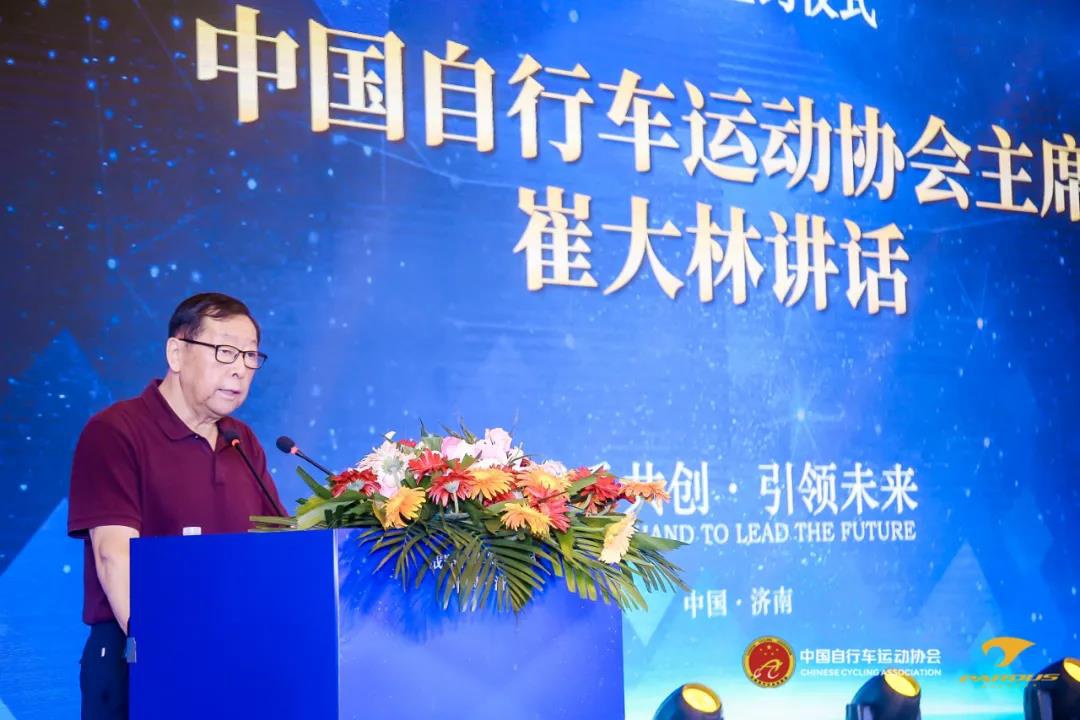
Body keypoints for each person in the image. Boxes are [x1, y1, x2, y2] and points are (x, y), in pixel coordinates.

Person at [67, 293, 286, 720]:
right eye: (225, 352)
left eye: (250, 356)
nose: (240, 369)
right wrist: (165, 651)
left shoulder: (241, 440)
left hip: (232, 653)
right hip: (140, 657)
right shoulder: (116, 431)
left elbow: (278, 548)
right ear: (176, 353)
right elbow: (114, 556)